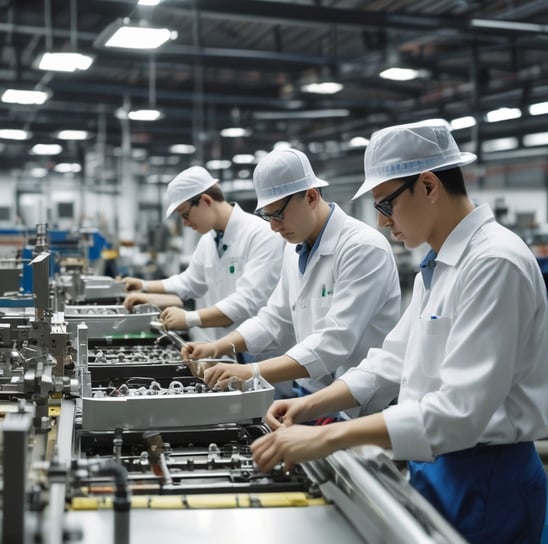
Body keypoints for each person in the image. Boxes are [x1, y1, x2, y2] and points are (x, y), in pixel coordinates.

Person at [249, 119, 548, 544]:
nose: (382, 221)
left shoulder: (494, 263)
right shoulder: (439, 265)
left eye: (385, 204)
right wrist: (309, 407)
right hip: (437, 466)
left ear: (428, 186)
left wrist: (328, 437)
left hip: (487, 477)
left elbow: (459, 412)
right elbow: (390, 362)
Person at [182, 148, 401, 402]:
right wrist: (217, 347)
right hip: (309, 392)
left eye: (278, 214)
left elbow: (334, 341)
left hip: (358, 403)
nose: (273, 227)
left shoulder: (361, 248)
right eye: (267, 216)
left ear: (310, 197)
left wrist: (251, 371)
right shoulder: (293, 249)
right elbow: (275, 317)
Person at [123, 165, 285, 344]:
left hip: (265, 352)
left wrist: (191, 318)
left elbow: (248, 301)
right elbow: (190, 282)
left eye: (185, 215)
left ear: (206, 201)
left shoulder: (261, 235)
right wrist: (143, 284)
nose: (184, 223)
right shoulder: (210, 239)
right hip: (228, 348)